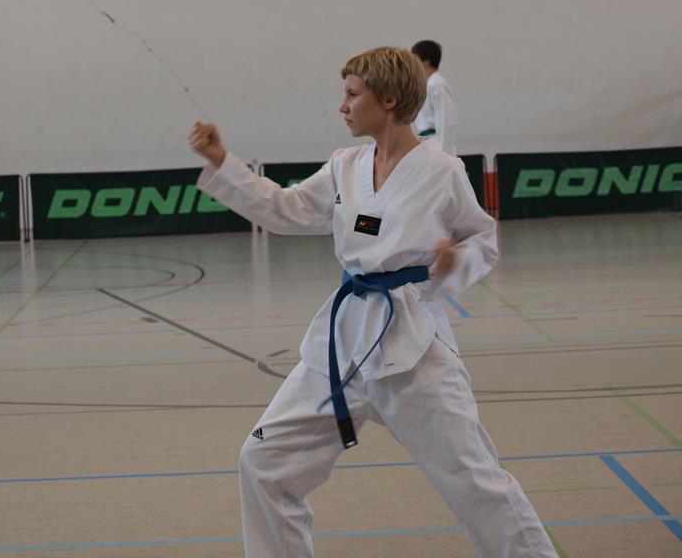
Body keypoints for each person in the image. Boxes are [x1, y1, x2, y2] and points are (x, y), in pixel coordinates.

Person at [188, 46, 555, 558]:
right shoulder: (346, 166)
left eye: (352, 94)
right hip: (341, 344)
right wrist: (223, 163)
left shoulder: (441, 170)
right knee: (265, 463)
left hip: (413, 348)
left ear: (388, 100)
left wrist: (453, 264)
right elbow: (287, 208)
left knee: (474, 482)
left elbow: (481, 238)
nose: (342, 106)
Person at [410, 39, 459, 156]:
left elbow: (445, 122)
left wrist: (443, 154)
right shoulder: (427, 84)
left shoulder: (437, 84)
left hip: (437, 145)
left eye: (415, 59)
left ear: (426, 61)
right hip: (427, 144)